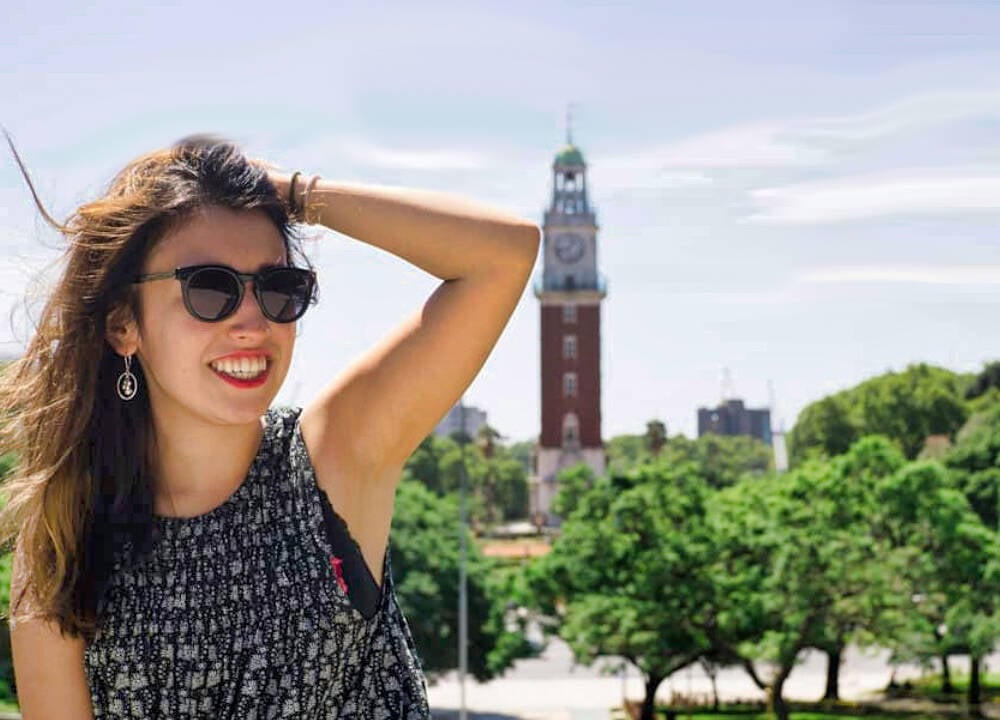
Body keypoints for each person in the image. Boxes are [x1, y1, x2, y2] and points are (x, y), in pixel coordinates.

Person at [0, 132, 540, 718]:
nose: (254, 321)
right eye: (210, 288)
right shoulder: (64, 537)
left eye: (279, 288)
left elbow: (503, 253)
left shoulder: (332, 457)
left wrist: (292, 194)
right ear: (123, 325)